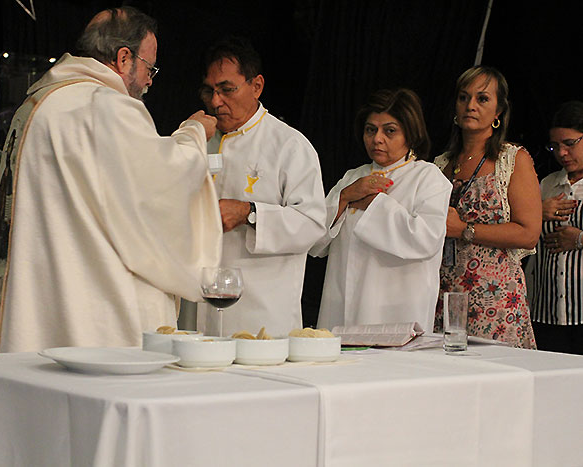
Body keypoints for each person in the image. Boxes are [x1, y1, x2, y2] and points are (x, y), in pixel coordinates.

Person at [0, 7, 222, 353]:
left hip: (38, 297)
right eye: (150, 67)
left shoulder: (39, 105)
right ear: (124, 58)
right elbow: (161, 184)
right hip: (92, 308)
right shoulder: (105, 106)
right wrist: (194, 132)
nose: (151, 79)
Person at [196, 37, 326, 337]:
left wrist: (249, 213)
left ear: (257, 86)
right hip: (201, 307)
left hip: (261, 312)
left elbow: (312, 224)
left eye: (227, 90)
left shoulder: (289, 145)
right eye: (209, 91)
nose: (216, 101)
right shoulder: (198, 140)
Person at [309, 89, 451, 332]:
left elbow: (426, 240)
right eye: (370, 129)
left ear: (411, 132)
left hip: (396, 310)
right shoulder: (352, 178)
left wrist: (373, 204)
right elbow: (315, 243)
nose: (377, 139)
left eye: (390, 130)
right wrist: (344, 198)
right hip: (341, 306)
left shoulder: (428, 177)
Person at [434, 66, 541, 349]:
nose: (470, 106)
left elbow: (528, 233)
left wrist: (463, 230)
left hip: (495, 299)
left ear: (498, 111)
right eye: (463, 97)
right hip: (443, 295)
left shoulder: (512, 159)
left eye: (482, 99)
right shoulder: (439, 164)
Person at [530, 101, 583, 354]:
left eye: (570, 143)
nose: (562, 153)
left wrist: (580, 239)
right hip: (547, 311)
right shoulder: (547, 184)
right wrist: (537, 212)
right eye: (555, 146)